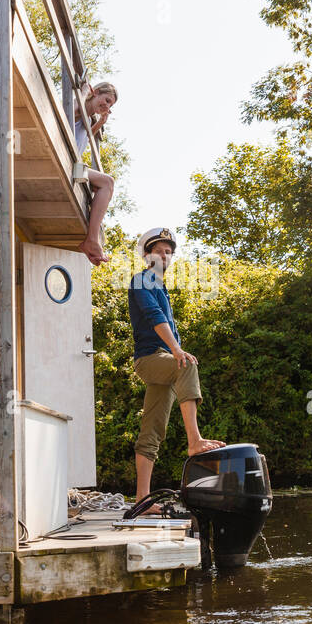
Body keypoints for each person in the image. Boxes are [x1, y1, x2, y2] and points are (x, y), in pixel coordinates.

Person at [128, 227, 224, 509]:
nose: (164, 256)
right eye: (159, 251)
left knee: (152, 432)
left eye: (169, 252)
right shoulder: (142, 280)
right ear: (147, 255)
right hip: (149, 359)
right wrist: (177, 350)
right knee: (186, 366)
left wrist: (175, 350)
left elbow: (164, 320)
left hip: (162, 362)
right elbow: (155, 317)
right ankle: (195, 441)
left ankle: (142, 500)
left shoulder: (161, 286)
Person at [74, 81, 117, 266]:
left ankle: (92, 240)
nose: (107, 105)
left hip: (74, 163)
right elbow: (69, 111)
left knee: (105, 184)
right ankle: (91, 240)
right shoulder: (78, 106)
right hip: (68, 159)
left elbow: (83, 137)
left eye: (111, 104)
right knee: (107, 182)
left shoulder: (89, 118)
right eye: (106, 99)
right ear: (96, 92)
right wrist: (83, 92)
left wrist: (100, 122)